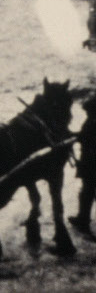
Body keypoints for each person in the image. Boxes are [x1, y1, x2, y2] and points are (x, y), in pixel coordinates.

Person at [70, 94, 96, 239]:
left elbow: (87, 137)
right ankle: (82, 218)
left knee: (87, 192)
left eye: (89, 111)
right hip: (89, 162)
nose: (87, 113)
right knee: (87, 192)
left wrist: (75, 137)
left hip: (91, 163)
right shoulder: (91, 120)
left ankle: (83, 221)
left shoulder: (93, 122)